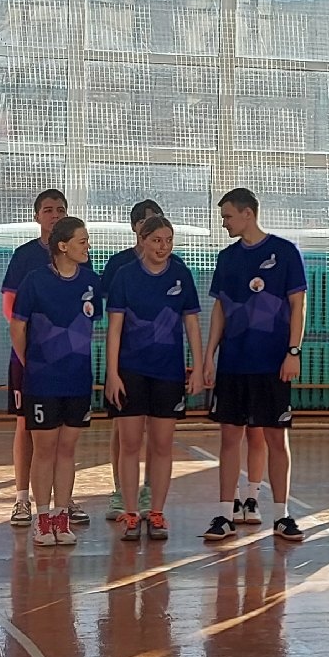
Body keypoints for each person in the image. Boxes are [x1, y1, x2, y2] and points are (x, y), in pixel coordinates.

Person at [202, 188, 306, 543]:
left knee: (275, 437)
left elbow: (298, 306)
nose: (224, 223)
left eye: (228, 216)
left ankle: (281, 515)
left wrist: (293, 352)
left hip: (272, 364)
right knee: (230, 437)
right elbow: (219, 310)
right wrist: (209, 356)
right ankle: (224, 514)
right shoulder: (227, 258)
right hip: (233, 364)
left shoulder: (285, 252)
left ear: (248, 213)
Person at [103, 214, 204, 543]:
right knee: (130, 444)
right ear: (142, 240)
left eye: (168, 240)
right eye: (157, 240)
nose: (163, 246)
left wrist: (198, 366)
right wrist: (112, 373)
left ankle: (156, 512)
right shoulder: (125, 276)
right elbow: (114, 329)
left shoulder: (181, 274)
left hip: (168, 373)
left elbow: (191, 325)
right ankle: (131, 512)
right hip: (131, 372)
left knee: (162, 445)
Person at [12, 217, 101, 548]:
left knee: (67, 450)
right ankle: (42, 519)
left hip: (77, 381)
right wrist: (31, 363)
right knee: (45, 450)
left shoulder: (91, 281)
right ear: (63, 246)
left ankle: (61, 518)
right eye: (82, 241)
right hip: (42, 381)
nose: (87, 247)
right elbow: (17, 328)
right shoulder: (35, 281)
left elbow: (92, 325)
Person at [0, 189, 67, 530]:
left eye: (60, 209)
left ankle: (63, 500)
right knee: (26, 425)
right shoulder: (24, 256)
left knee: (64, 431)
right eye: (48, 210)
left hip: (66, 359)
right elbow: (9, 306)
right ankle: (22, 498)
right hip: (29, 357)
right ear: (37, 216)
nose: (55, 215)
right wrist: (28, 349)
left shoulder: (77, 255)